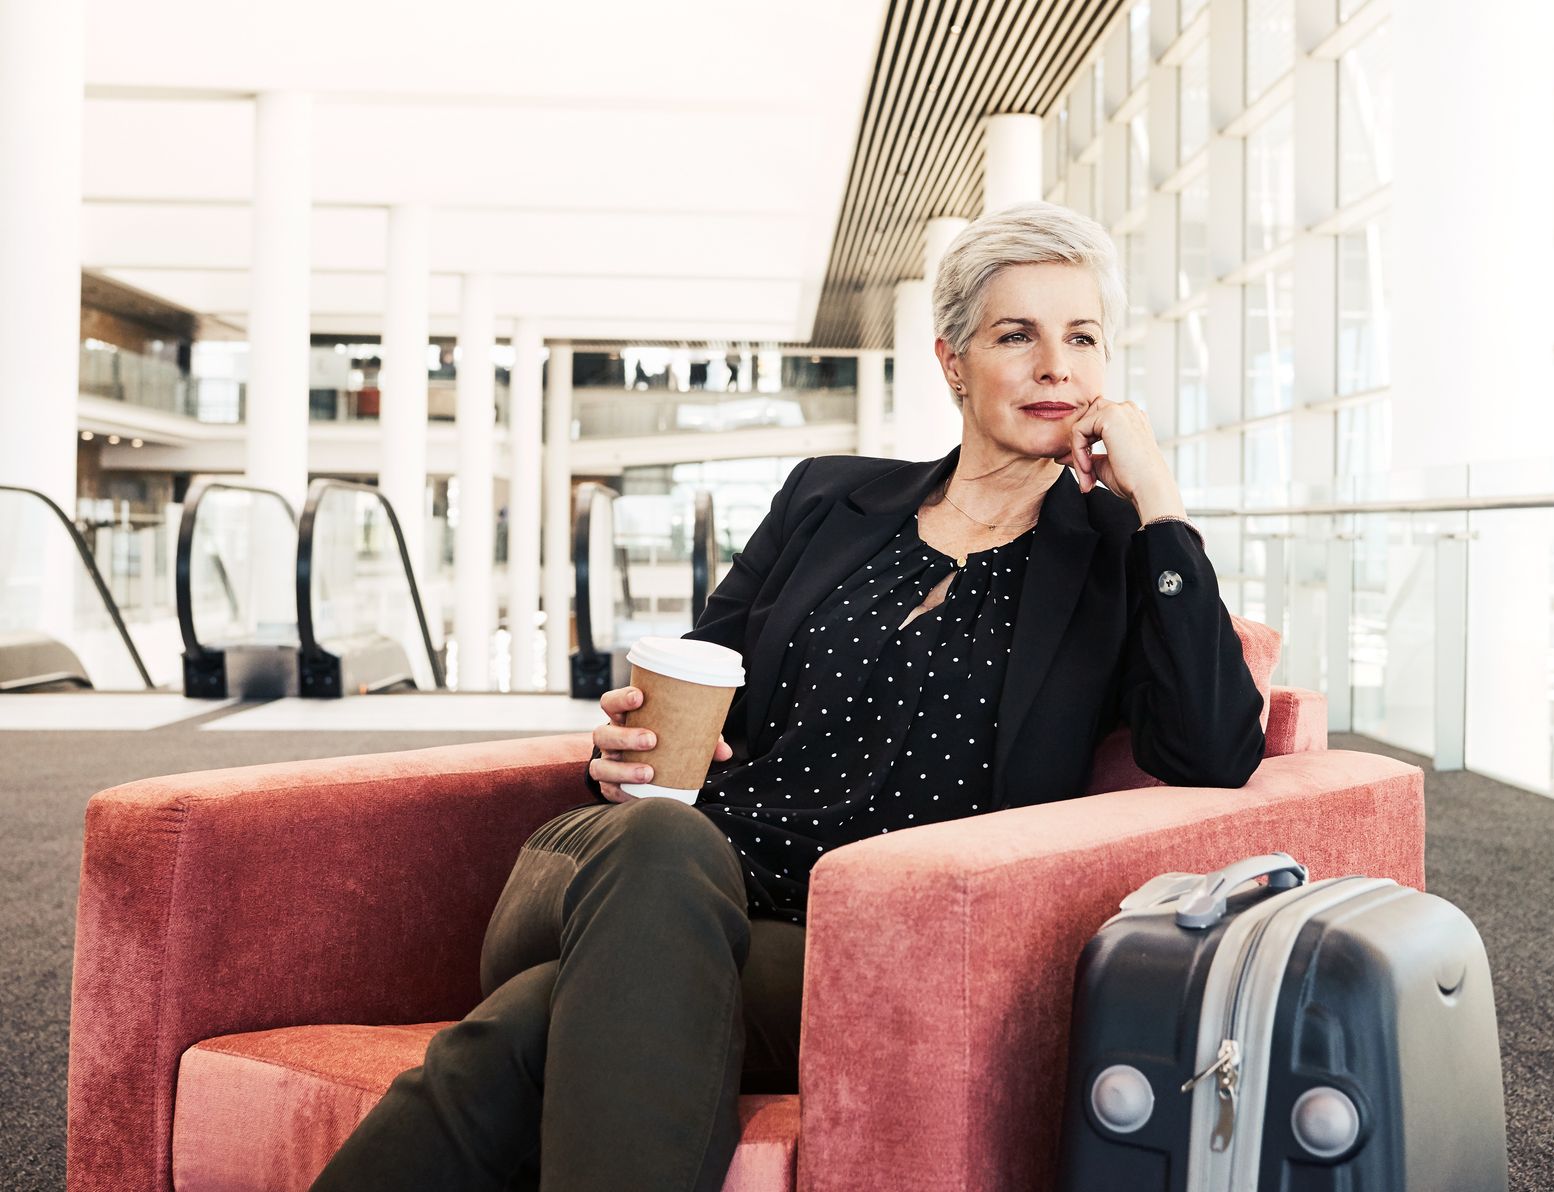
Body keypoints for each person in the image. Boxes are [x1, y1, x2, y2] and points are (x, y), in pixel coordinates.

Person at [310, 201, 1265, 1192]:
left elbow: (1213, 747)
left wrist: (1159, 503)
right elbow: (688, 690)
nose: (1055, 366)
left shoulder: (1120, 560)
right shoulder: (827, 498)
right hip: (634, 864)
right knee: (663, 844)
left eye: (1082, 338)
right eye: (1015, 335)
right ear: (951, 361)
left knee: (532, 1026)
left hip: (824, 948)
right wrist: (625, 750)